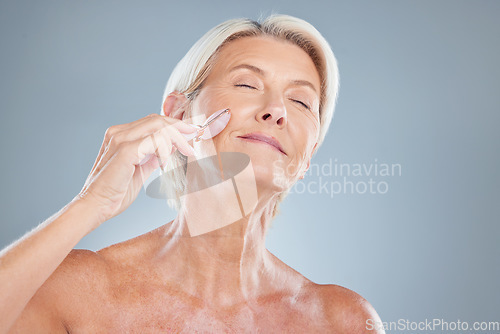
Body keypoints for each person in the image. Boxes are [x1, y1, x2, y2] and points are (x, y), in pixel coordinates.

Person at [1, 14, 385, 333]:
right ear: (179, 114)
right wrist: (91, 205)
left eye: (301, 101)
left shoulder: (343, 321)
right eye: (248, 83)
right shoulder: (74, 290)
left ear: (308, 157)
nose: (276, 110)